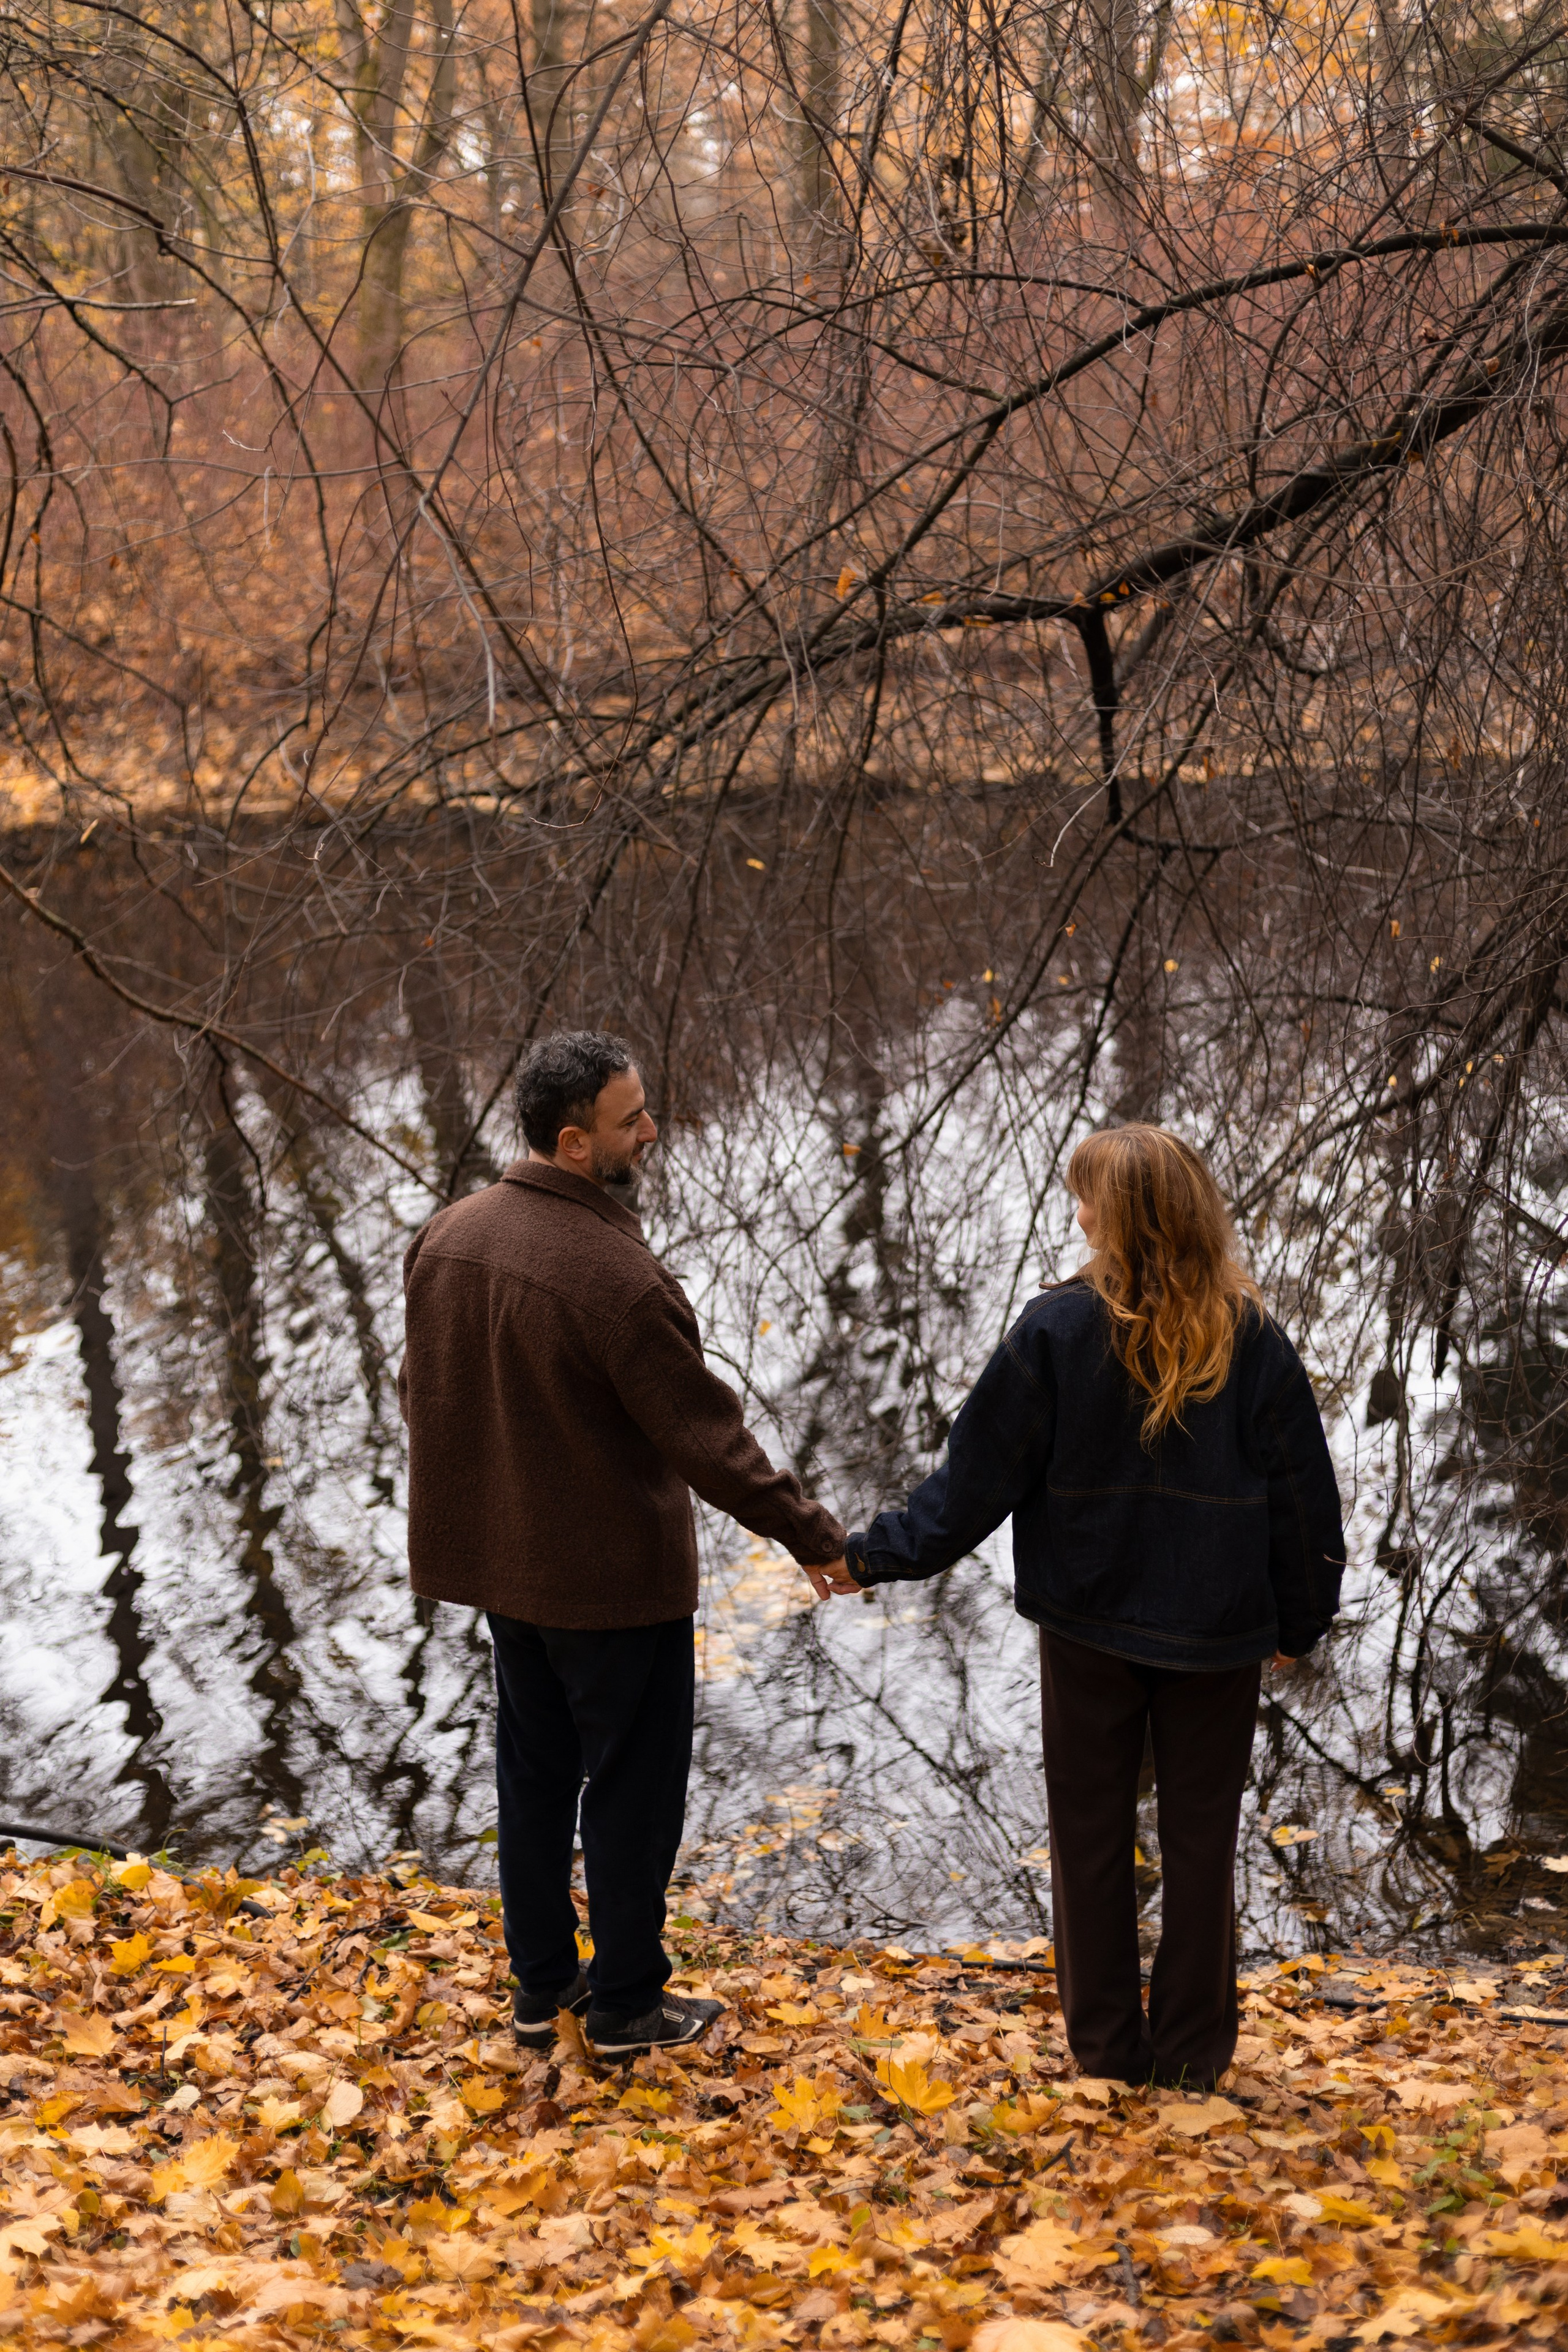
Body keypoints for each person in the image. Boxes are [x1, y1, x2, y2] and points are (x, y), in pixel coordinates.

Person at [817, 1123, 1344, 2089]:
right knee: (1199, 1846)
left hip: (1091, 1630)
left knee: (1092, 1839)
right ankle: (1190, 2062)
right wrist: (1301, 1620)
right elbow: (1306, 1502)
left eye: (1089, 1197)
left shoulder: (1055, 1333)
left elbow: (969, 1486)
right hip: (1217, 1635)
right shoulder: (1253, 1334)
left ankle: (1107, 2054)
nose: (1078, 1213)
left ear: (1126, 1216)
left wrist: (871, 1556)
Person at [399, 1030, 849, 2059]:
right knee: (634, 1798)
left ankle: (540, 1991)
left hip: (507, 1576)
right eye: (630, 1120)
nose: (652, 1130)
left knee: (533, 1781)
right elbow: (709, 1441)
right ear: (570, 1144)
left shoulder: (446, 1237)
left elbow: (422, 1397)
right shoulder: (616, 1276)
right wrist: (813, 1537)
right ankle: (627, 2009)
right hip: (613, 1588)